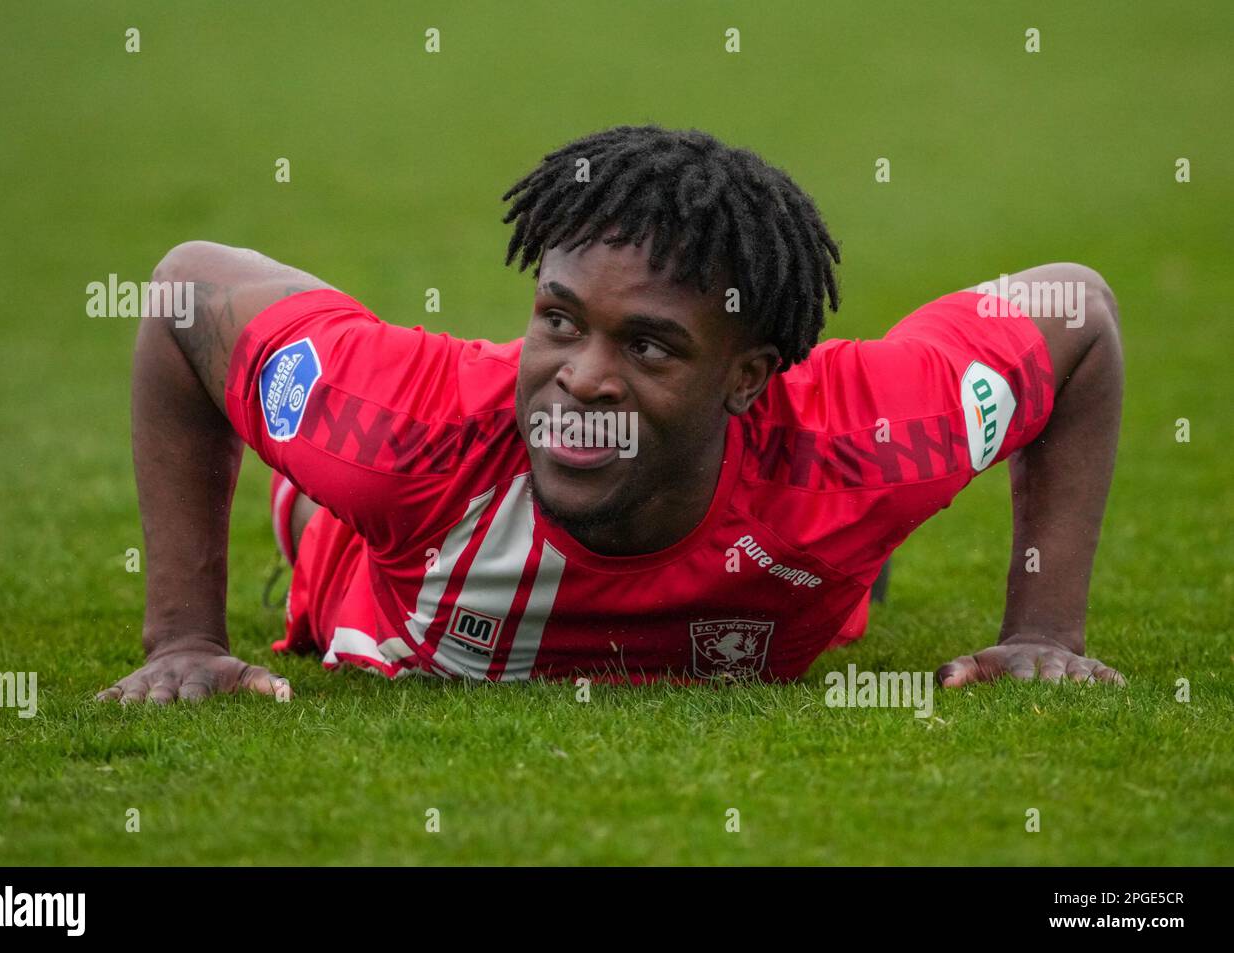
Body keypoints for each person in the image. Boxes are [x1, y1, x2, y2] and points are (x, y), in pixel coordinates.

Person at [98, 125, 1124, 703]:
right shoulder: (396, 432)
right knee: (325, 511)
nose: (582, 376)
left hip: (772, 513)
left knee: (832, 522)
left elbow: (1075, 309)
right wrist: (181, 640)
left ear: (748, 375)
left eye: (647, 343)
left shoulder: (868, 445)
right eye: (558, 320)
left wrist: (1044, 631)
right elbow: (190, 286)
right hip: (370, 539)